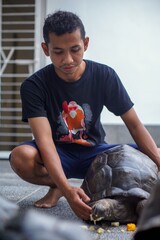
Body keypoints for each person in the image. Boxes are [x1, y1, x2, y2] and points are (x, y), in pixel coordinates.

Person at [9, 10, 160, 220]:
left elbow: (134, 126)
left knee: (155, 154)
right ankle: (59, 186)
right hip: (57, 153)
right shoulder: (33, 86)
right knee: (21, 157)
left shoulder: (104, 75)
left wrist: (158, 161)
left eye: (75, 49)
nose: (68, 59)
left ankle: (76, 185)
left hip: (97, 155)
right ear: (46, 49)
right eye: (58, 51)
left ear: (86, 44)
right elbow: (44, 142)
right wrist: (68, 191)